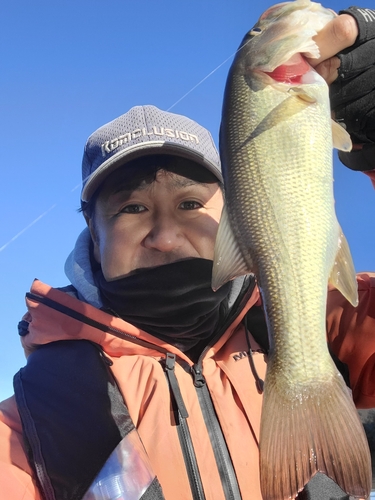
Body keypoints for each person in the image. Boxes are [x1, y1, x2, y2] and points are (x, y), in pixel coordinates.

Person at [0, 5, 375, 500]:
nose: (165, 235)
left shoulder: (338, 326)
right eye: (132, 208)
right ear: (92, 233)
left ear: (238, 212)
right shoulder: (24, 431)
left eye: (190, 203)